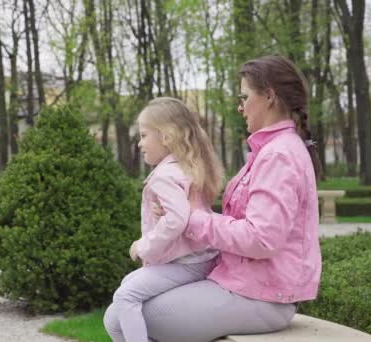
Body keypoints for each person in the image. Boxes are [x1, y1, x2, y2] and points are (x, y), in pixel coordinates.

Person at [104, 55, 323, 342]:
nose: (239, 106)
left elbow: (262, 239)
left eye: (244, 97)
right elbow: (247, 225)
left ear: (269, 96)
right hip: (243, 284)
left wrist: (192, 219)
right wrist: (187, 215)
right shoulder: (270, 150)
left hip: (263, 295)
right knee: (119, 312)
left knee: (123, 317)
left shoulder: (279, 154)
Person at [108, 97, 224, 342]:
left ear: (166, 136)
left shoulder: (164, 175)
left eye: (143, 135)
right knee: (129, 283)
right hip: (202, 259)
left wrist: (143, 246)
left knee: (125, 296)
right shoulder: (189, 169)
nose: (139, 144)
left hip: (186, 264)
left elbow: (177, 219)